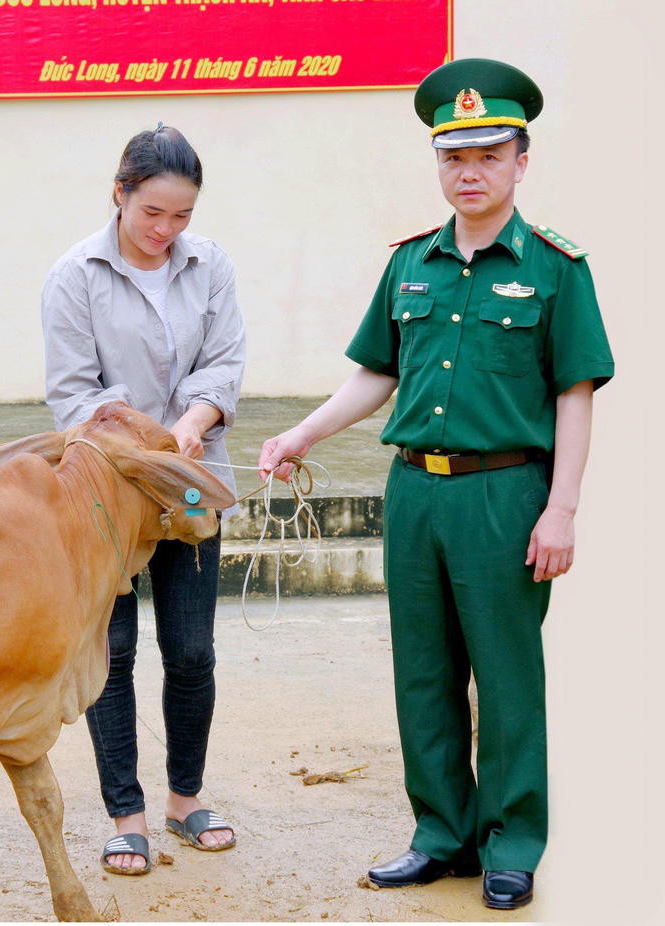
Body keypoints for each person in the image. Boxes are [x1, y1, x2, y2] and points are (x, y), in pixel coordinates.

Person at [259, 59, 614, 910]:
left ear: (520, 162)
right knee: (423, 673)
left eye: (489, 156)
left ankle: (513, 842)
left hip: (505, 496)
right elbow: (375, 375)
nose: (470, 174)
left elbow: (573, 396)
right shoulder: (409, 264)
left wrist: (561, 508)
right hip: (415, 492)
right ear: (439, 165)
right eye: (454, 158)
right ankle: (440, 835)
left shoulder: (558, 268)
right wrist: (301, 432)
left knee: (506, 674)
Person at [41, 125, 247, 875]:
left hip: (194, 487)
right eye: (151, 212)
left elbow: (224, 361)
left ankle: (185, 799)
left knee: (192, 652)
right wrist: (142, 441)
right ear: (119, 193)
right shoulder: (74, 275)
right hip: (105, 492)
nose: (165, 231)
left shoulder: (211, 265)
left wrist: (192, 422)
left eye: (181, 216)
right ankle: (125, 812)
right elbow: (71, 391)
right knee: (114, 650)